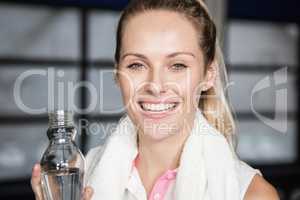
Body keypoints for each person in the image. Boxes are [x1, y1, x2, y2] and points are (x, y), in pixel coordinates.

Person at [31, 0, 279, 199]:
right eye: (137, 65)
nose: (156, 86)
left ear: (208, 75)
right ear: (118, 73)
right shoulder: (81, 182)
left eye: (178, 65)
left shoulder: (251, 194)